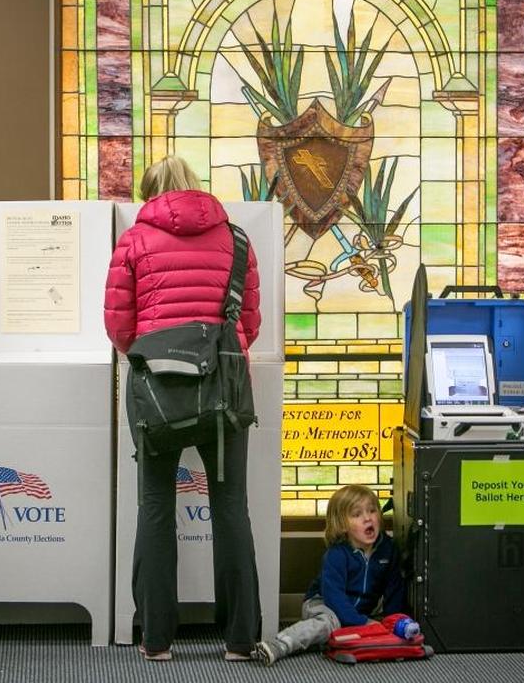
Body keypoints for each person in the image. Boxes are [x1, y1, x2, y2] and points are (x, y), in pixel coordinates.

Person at [104, 156, 262, 662]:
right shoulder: (236, 240)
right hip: (224, 393)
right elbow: (248, 324)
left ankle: (156, 639)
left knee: (154, 508)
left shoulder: (133, 240)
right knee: (231, 508)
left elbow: (119, 328)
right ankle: (240, 639)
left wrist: (156, 355)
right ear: (195, 187)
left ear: (151, 195)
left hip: (156, 392)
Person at [253, 484, 407, 665]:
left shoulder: (388, 549)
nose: (367, 518)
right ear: (342, 525)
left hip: (360, 611)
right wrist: (361, 622)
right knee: (329, 623)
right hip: (324, 604)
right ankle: (280, 644)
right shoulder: (337, 555)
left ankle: (337, 640)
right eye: (357, 515)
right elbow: (334, 597)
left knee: (377, 622)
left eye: (372, 511)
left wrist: (393, 622)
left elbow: (394, 588)